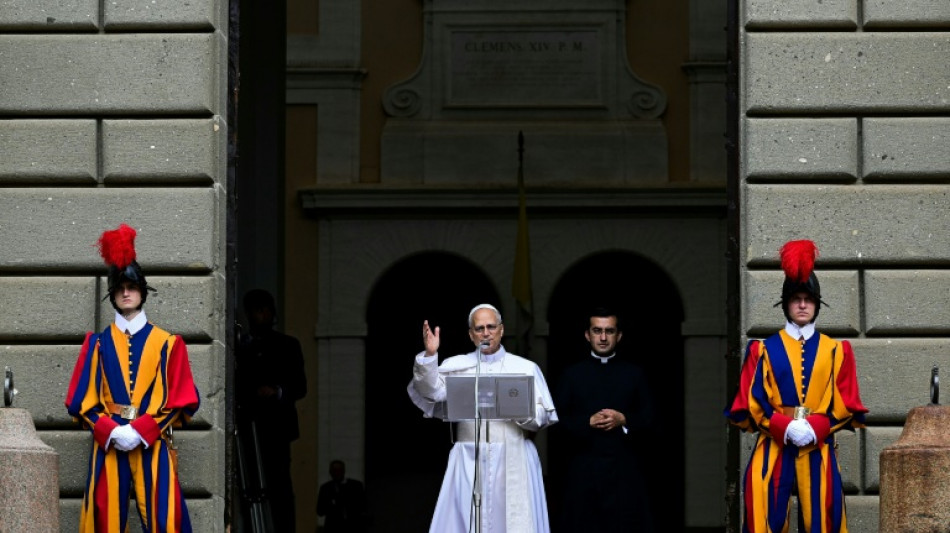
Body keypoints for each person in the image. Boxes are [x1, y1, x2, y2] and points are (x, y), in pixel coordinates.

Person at [725, 239, 868, 533]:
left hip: (819, 446)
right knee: (764, 518)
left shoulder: (836, 351)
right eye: (796, 299)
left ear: (816, 304)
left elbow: (846, 402)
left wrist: (815, 427)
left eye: (808, 299)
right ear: (786, 304)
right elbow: (751, 402)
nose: (802, 305)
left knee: (822, 521)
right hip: (773, 444)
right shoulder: (762, 350)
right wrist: (783, 426)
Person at [65, 223, 200, 532]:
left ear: (142, 291)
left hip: (152, 439)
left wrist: (139, 431)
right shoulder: (97, 344)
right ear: (112, 294)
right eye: (120, 287)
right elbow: (82, 402)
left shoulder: (168, 344)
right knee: (104, 522)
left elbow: (179, 400)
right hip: (110, 441)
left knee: (166, 521)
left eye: (132, 286)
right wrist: (112, 432)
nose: (126, 292)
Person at [407, 303, 558, 533]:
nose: (486, 333)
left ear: (501, 330)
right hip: (469, 457)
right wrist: (430, 355)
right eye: (479, 328)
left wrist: (515, 408)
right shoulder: (458, 365)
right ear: (471, 334)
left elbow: (542, 416)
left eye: (491, 327)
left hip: (513, 454)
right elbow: (431, 392)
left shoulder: (525, 367)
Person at [552, 307, 655, 533]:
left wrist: (624, 419)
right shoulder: (571, 375)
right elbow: (555, 422)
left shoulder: (635, 374)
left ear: (618, 336)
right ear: (587, 335)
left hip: (625, 472)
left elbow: (651, 419)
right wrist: (586, 422)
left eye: (609, 331)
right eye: (597, 331)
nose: (603, 337)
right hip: (583, 470)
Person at [236, 288, 307, 533]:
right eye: (256, 310)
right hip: (248, 427)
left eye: (265, 310)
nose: (261, 315)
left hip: (277, 429)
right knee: (250, 487)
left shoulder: (288, 345)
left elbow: (300, 386)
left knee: (280, 490)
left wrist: (276, 391)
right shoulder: (241, 347)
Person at [316, 459, 367, 532]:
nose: (337, 473)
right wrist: (332, 503)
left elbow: (362, 506)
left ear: (344, 471)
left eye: (339, 470)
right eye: (334, 470)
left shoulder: (356, 486)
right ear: (330, 472)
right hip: (333, 527)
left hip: (353, 527)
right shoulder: (326, 488)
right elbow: (320, 510)